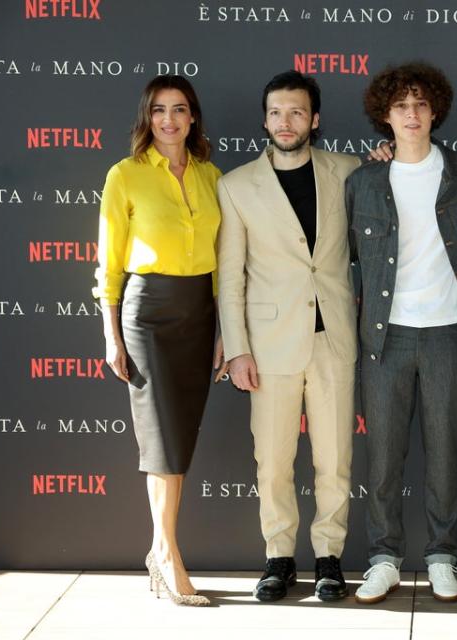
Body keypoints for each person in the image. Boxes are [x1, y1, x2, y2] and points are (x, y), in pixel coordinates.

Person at [216, 71, 360, 603]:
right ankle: (278, 557)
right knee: (273, 460)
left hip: (334, 339)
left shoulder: (348, 172)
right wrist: (237, 350)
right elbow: (230, 278)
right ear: (264, 118)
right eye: (276, 112)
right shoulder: (234, 187)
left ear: (315, 120)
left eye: (297, 112)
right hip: (269, 345)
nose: (286, 122)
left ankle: (329, 557)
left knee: (334, 458)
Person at [347, 62, 457, 604]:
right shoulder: (364, 181)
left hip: (449, 332)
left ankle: (442, 556)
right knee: (383, 456)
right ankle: (383, 557)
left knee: (446, 453)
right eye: (400, 105)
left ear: (435, 112)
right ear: (385, 114)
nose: (411, 113)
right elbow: (350, 259)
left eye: (421, 104)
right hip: (386, 338)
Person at [93, 74, 224, 607]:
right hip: (146, 315)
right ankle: (168, 555)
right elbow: (111, 262)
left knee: (179, 440)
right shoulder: (125, 175)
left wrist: (226, 332)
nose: (169, 119)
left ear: (193, 118)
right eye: (159, 110)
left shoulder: (213, 176)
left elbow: (225, 263)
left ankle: (158, 549)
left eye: (179, 109)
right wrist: (111, 334)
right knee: (162, 440)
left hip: (200, 313)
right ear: (147, 118)